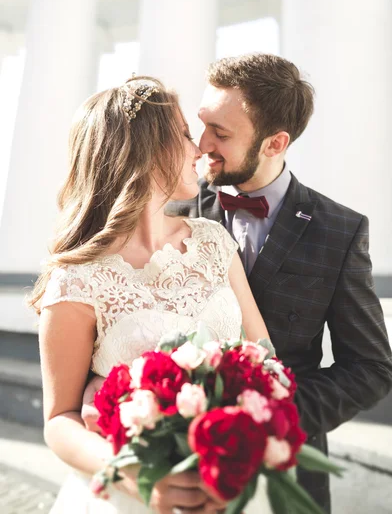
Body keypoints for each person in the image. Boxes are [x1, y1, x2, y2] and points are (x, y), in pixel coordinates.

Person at [30, 76, 272, 514]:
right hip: (131, 497)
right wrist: (133, 469)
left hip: (229, 485)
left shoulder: (214, 242)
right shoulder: (76, 279)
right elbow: (59, 420)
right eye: (183, 134)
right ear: (143, 149)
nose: (199, 150)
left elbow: (265, 358)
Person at [164, 53, 392, 513]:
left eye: (221, 134)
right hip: (176, 468)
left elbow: (371, 368)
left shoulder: (339, 230)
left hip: (290, 472)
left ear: (275, 143)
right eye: (202, 124)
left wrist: (269, 418)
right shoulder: (170, 210)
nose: (201, 144)